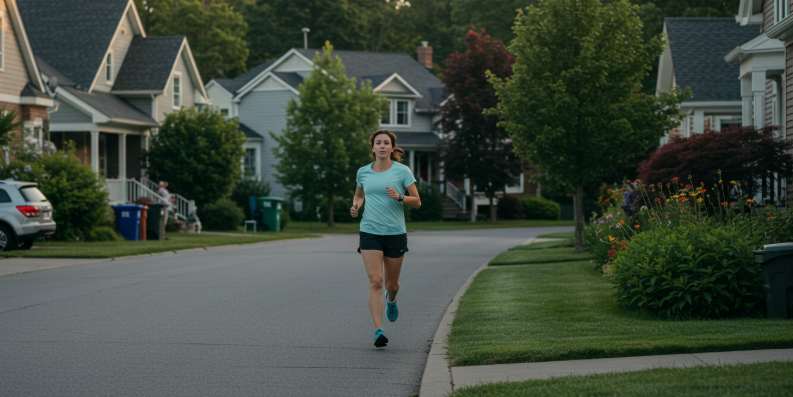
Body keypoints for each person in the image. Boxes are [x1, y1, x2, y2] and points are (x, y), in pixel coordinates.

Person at [351, 129, 421, 348]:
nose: (382, 146)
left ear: (392, 148)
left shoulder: (402, 171)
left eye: (386, 143)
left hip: (395, 233)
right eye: (378, 142)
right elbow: (359, 194)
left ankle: (391, 299)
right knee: (376, 282)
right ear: (373, 148)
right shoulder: (363, 172)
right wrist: (355, 206)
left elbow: (417, 201)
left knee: (391, 284)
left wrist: (400, 196)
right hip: (369, 231)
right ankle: (378, 330)